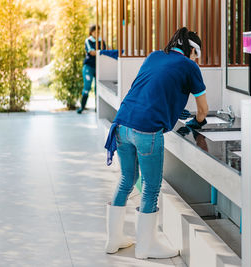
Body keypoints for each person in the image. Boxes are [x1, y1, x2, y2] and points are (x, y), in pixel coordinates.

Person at [104, 27, 209, 259]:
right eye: (196, 55)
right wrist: (197, 121)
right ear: (193, 50)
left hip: (122, 123)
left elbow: (148, 89)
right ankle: (145, 246)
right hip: (146, 129)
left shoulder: (154, 56)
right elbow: (203, 110)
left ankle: (113, 240)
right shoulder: (190, 66)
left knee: (126, 180)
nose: (196, 60)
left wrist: (172, 107)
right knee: (151, 187)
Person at [77, 25, 106, 114]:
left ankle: (98, 108)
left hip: (99, 67)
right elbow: (92, 52)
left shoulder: (102, 41)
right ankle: (82, 107)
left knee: (98, 88)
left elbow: (104, 52)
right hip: (89, 67)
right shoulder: (88, 40)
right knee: (87, 87)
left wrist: (99, 52)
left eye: (98, 31)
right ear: (91, 32)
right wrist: (100, 52)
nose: (97, 33)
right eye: (95, 31)